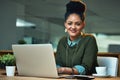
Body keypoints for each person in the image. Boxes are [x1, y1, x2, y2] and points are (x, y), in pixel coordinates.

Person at [55, 0, 98, 75]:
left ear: (83, 25)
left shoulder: (90, 40)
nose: (73, 27)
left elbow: (86, 67)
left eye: (77, 24)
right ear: (65, 24)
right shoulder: (62, 41)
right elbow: (58, 64)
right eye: (69, 23)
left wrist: (63, 70)